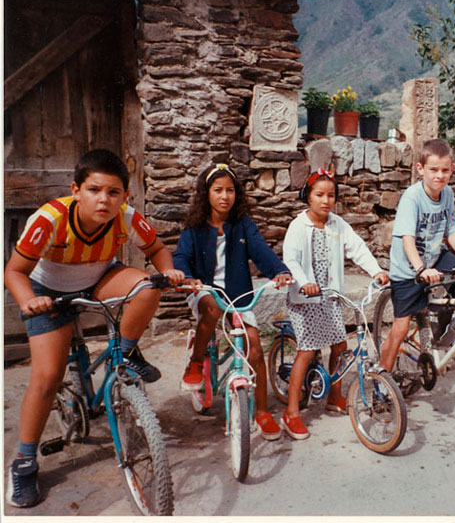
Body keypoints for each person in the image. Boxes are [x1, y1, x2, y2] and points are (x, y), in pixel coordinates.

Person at [4, 149, 185, 508]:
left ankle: (129, 351)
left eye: (113, 192)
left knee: (149, 286)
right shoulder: (48, 220)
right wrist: (27, 301)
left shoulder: (128, 218)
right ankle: (23, 463)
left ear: (124, 196)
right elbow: (14, 271)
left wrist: (170, 272)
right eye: (94, 190)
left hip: (99, 278)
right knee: (48, 375)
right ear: (76, 189)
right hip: (46, 291)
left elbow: (158, 249)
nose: (104, 199)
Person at [173, 163, 292, 441]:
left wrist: (280, 271)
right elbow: (181, 257)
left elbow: (261, 251)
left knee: (254, 351)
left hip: (237, 292)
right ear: (207, 193)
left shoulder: (243, 225)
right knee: (211, 310)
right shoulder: (194, 228)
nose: (224, 196)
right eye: (218, 190)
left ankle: (262, 411)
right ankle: (195, 361)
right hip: (204, 289)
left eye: (230, 190)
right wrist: (187, 277)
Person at [280, 169, 390, 440]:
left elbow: (358, 248)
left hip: (330, 298)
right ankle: (291, 412)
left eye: (331, 195)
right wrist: (304, 281)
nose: (325, 201)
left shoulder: (338, 224)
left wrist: (375, 270)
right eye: (319, 195)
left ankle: (334, 396)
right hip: (305, 299)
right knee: (306, 351)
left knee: (340, 346)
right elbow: (291, 259)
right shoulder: (298, 226)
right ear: (308, 196)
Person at [380, 138, 455, 373]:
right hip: (409, 266)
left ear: (451, 170)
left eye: (445, 170)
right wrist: (421, 269)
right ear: (420, 169)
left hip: (436, 255)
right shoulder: (412, 197)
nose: (440, 175)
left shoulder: (447, 194)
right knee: (401, 328)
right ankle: (381, 379)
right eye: (433, 169)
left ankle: (453, 335)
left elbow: (452, 231)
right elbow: (407, 239)